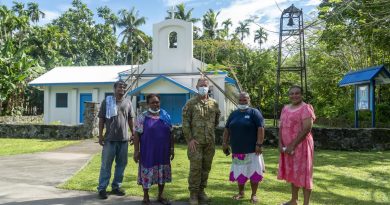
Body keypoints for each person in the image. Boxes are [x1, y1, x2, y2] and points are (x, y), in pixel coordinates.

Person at [182, 78, 221, 205]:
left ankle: (201, 192)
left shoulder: (214, 103)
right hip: (196, 143)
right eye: (201, 85)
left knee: (206, 168)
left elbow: (216, 121)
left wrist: (209, 133)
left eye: (205, 85)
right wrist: (190, 139)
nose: (203, 87)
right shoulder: (190, 103)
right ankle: (193, 194)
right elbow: (185, 123)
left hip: (210, 142)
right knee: (195, 168)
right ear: (196, 86)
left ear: (208, 87)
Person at [222, 92, 265, 204]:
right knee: (240, 172)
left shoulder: (254, 113)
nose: (242, 102)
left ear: (249, 100)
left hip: (252, 150)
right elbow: (227, 129)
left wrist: (259, 144)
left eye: (245, 100)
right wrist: (224, 143)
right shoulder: (233, 114)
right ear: (237, 101)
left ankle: (254, 194)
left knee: (254, 172)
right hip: (238, 150)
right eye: (240, 100)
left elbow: (261, 128)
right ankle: (241, 193)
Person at [277, 85, 316, 205]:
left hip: (301, 146)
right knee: (293, 172)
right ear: (289, 95)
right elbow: (281, 126)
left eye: (297, 93)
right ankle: (294, 200)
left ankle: (306, 203)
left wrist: (292, 145)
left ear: (302, 94)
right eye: (292, 93)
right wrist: (280, 143)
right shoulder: (285, 108)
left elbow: (306, 129)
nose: (294, 96)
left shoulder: (306, 108)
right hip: (287, 147)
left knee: (304, 174)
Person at [133, 94, 174, 205]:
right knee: (146, 173)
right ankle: (146, 197)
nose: (155, 104)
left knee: (162, 173)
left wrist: (172, 148)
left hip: (163, 152)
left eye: (157, 102)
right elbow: (136, 134)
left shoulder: (165, 115)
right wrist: (136, 151)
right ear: (148, 104)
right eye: (152, 102)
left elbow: (171, 133)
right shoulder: (142, 116)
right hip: (148, 152)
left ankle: (160, 196)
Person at [97, 80, 134, 199]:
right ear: (114, 88)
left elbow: (130, 120)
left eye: (124, 87)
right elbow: (101, 119)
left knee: (121, 164)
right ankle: (102, 188)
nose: (122, 88)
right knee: (106, 165)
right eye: (119, 86)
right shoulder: (107, 101)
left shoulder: (128, 102)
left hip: (123, 139)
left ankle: (116, 187)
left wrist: (133, 133)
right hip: (109, 139)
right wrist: (100, 135)